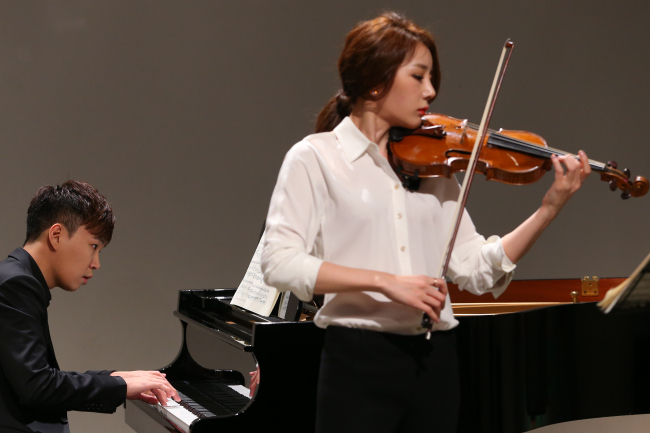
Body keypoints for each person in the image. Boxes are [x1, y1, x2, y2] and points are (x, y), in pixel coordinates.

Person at [261, 12, 591, 433]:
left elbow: (477, 270)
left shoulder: (434, 168)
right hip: (358, 363)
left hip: (436, 361)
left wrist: (549, 209)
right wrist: (385, 281)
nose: (431, 91)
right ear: (376, 80)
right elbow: (280, 262)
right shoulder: (315, 157)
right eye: (418, 77)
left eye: (431, 78)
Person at [0, 180, 179, 433]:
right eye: (93, 246)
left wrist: (115, 378)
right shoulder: (16, 284)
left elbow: (36, 377)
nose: (96, 263)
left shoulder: (16, 278)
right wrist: (119, 386)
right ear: (56, 235)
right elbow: (37, 387)